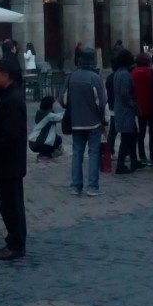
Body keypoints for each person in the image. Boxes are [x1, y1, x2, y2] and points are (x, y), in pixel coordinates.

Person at [0, 57, 28, 260]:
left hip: (8, 164)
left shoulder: (12, 100)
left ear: (6, 75)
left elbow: (10, 136)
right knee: (8, 204)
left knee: (12, 205)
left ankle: (15, 244)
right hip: (6, 164)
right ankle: (14, 241)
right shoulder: (7, 96)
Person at [62, 46, 107, 196]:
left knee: (77, 153)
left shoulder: (71, 77)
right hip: (93, 121)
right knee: (93, 153)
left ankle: (76, 185)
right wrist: (102, 118)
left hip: (76, 122)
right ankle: (92, 187)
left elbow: (63, 100)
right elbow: (102, 101)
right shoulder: (95, 78)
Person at [113, 49, 142, 174]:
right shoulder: (124, 75)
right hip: (125, 110)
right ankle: (120, 163)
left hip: (121, 109)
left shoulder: (118, 73)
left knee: (131, 135)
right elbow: (125, 94)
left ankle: (134, 160)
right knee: (126, 137)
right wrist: (133, 104)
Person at [132, 52, 153, 165]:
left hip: (139, 106)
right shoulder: (152, 72)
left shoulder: (133, 73)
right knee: (152, 132)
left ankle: (142, 155)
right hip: (151, 104)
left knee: (141, 132)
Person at [28, 95, 64, 161]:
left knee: (57, 138)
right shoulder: (48, 115)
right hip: (40, 142)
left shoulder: (42, 113)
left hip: (32, 141)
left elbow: (57, 116)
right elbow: (62, 118)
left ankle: (43, 155)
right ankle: (45, 156)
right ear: (50, 104)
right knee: (56, 139)